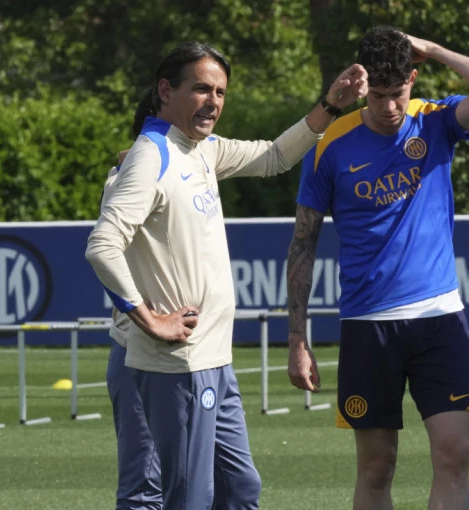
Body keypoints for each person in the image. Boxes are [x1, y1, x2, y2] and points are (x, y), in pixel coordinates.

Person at [86, 41, 366, 509]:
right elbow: (102, 246)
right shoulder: (151, 156)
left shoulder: (201, 149)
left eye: (220, 92)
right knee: (176, 497)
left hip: (215, 360)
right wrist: (150, 320)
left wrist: (332, 105)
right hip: (179, 362)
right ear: (165, 91)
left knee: (239, 489)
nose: (213, 101)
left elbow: (275, 156)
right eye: (201, 89)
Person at [286, 26, 469, 510]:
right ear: (362, 86)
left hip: (439, 319)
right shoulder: (329, 144)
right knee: (376, 467)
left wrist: (432, 49)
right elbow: (304, 243)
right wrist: (297, 340)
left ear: (413, 79)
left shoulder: (436, 120)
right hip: (368, 325)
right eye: (379, 96)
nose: (390, 108)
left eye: (398, 93)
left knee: (454, 455)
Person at [102, 160, 162, 509]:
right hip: (139, 349)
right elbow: (102, 250)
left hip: (192, 356)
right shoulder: (129, 179)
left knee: (227, 481)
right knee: (145, 489)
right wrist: (149, 320)